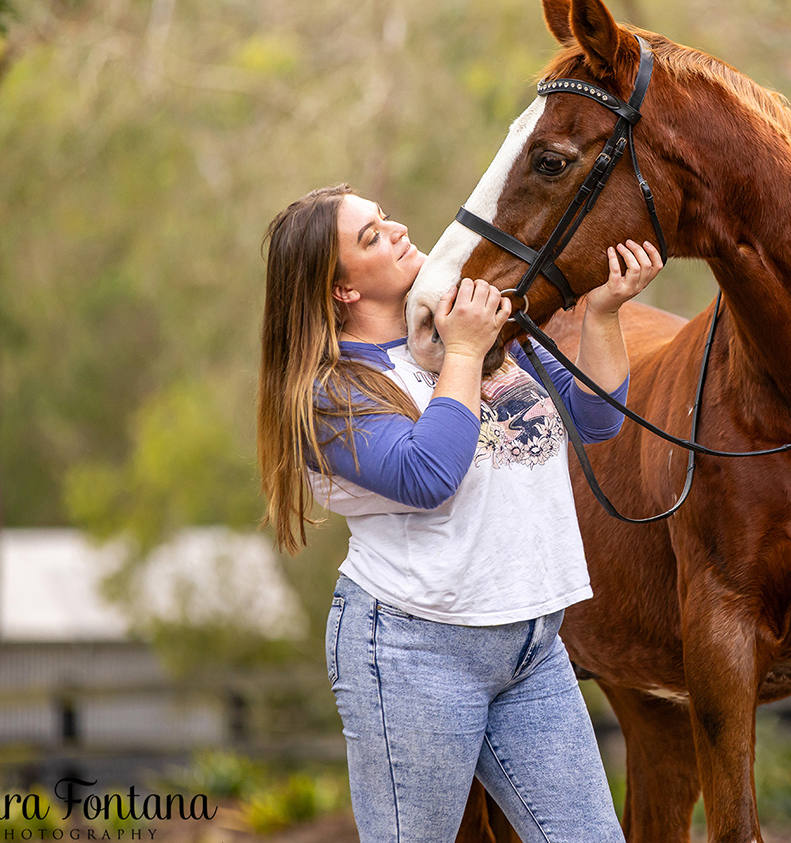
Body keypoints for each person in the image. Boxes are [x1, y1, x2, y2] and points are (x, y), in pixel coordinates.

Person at [256, 183, 662, 843]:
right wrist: (467, 352)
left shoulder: (470, 329)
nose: (397, 230)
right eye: (370, 237)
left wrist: (605, 314)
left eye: (385, 219)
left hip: (531, 644)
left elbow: (597, 418)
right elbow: (428, 475)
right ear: (341, 291)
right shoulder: (329, 392)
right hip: (416, 651)